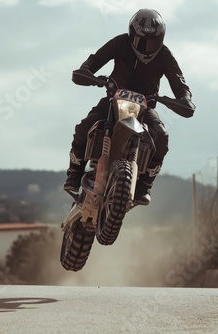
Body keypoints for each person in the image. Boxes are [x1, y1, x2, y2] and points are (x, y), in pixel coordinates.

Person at [64, 8, 195, 205]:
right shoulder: (120, 43)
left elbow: (180, 84)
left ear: (161, 39)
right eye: (141, 41)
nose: (147, 47)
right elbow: (94, 60)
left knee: (162, 137)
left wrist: (184, 99)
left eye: (152, 42)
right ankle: (74, 174)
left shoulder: (165, 55)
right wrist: (88, 73)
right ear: (132, 34)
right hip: (112, 101)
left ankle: (144, 186)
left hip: (144, 109)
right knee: (84, 127)